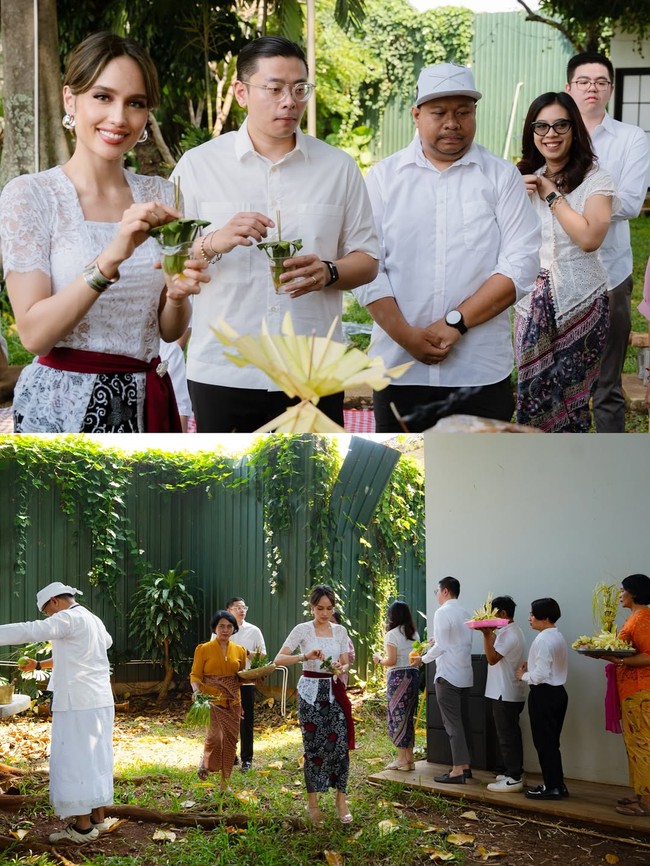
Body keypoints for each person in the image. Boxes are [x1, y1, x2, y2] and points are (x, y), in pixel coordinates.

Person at [0, 31, 209, 433]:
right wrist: (113, 255)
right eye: (102, 96)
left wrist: (179, 295)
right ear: (69, 100)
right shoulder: (32, 196)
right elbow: (34, 336)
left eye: (135, 103)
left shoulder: (161, 194)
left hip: (149, 401)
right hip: (62, 409)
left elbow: (168, 329)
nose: (118, 117)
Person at [171, 35, 379, 432]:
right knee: (225, 486)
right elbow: (167, 261)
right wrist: (213, 241)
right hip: (223, 371)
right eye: (275, 88)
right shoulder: (198, 166)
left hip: (313, 370)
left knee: (312, 487)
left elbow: (367, 260)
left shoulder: (338, 167)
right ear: (241, 92)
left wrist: (329, 272)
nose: (290, 100)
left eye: (300, 88)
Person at [354, 62, 540, 432]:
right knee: (404, 471)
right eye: (439, 113)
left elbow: (520, 264)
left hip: (480, 368)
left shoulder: (501, 176)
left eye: (463, 112)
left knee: (483, 478)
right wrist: (406, 337)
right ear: (417, 115)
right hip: (398, 367)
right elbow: (366, 266)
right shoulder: (383, 179)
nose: (452, 123)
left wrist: (456, 323)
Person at [514, 92, 614, 432]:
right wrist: (514, 193)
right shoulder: (519, 179)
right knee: (531, 397)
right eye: (541, 126)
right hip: (530, 305)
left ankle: (574, 474)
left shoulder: (596, 178)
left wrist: (551, 194)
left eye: (560, 125)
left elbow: (589, 239)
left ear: (574, 130)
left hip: (581, 304)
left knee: (572, 404)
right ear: (531, 132)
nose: (550, 134)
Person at [566, 52, 650, 432]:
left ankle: (611, 466)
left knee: (608, 383)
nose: (592, 88)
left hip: (611, 272)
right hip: (559, 274)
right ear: (569, 87)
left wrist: (562, 199)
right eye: (583, 81)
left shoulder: (631, 138)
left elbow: (631, 202)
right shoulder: (554, 131)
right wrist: (595, 202)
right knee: (561, 381)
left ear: (611, 90)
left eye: (600, 82)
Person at [0, 582, 114, 845]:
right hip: (99, 700)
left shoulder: (67, 618)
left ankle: (82, 828)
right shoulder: (92, 619)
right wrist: (40, 663)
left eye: (47, 611)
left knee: (76, 760)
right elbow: (93, 647)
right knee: (97, 758)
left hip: (77, 703)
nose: (48, 617)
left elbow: (29, 629)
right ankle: (99, 819)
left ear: (54, 602)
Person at [274, 584, 354, 825]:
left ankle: (341, 800)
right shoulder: (302, 630)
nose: (325, 613)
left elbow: (344, 662)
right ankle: (313, 802)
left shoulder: (340, 631)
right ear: (312, 606)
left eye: (329, 608)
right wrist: (305, 657)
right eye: (320, 608)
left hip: (334, 692)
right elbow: (279, 658)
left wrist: (341, 668)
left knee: (340, 746)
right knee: (313, 749)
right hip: (310, 694)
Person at [418, 576, 473, 784]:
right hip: (465, 674)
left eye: (437, 592)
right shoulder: (465, 612)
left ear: (446, 591)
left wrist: (422, 659)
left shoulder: (442, 612)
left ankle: (457, 769)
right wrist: (435, 643)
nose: (437, 596)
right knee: (464, 722)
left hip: (448, 675)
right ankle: (466, 767)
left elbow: (441, 646)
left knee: (452, 724)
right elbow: (454, 642)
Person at [516, 597, 568, 801]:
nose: (529, 618)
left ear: (544, 617)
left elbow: (541, 675)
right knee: (551, 742)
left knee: (544, 743)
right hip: (558, 693)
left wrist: (523, 676)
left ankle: (552, 787)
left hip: (544, 693)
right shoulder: (557, 636)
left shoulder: (543, 639)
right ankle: (556, 784)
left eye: (532, 614)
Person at [190, 609, 247, 793]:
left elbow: (241, 678)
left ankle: (225, 784)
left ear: (234, 629)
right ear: (215, 628)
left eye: (229, 626)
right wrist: (197, 693)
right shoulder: (203, 649)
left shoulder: (240, 651)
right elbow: (195, 676)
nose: (225, 630)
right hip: (211, 699)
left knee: (230, 741)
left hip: (233, 702)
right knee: (215, 737)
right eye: (221, 626)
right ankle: (206, 762)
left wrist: (242, 703)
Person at [611, 574, 650, 817]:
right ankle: (639, 791)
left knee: (642, 744)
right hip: (631, 691)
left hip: (641, 691)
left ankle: (646, 801)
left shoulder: (644, 618)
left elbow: (648, 656)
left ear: (633, 593)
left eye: (623, 590)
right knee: (634, 745)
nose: (620, 594)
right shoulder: (635, 618)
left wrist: (616, 659)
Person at [478, 596, 526, 793]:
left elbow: (491, 658)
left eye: (492, 614)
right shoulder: (512, 631)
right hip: (506, 692)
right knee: (508, 734)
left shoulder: (508, 634)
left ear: (503, 614)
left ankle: (514, 777)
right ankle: (511, 772)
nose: (489, 618)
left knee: (507, 736)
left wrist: (486, 634)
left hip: (504, 693)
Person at [373, 600, 420, 772]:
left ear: (392, 616)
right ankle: (409, 760)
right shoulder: (414, 633)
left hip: (398, 678)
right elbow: (416, 658)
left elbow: (391, 660)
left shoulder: (392, 634)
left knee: (397, 717)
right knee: (407, 718)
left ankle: (401, 760)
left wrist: (379, 660)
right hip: (413, 676)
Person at [225, 596, 266, 771]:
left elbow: (262, 655)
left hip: (247, 680)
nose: (242, 610)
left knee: (246, 720)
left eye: (244, 607)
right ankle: (230, 754)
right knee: (227, 718)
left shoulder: (254, 630)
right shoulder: (222, 629)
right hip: (226, 680)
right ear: (229, 611)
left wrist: (245, 652)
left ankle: (247, 759)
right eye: (237, 607)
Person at [331, 608, 355, 687]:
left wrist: (339, 668)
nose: (329, 625)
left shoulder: (343, 638)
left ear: (338, 623)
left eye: (332, 622)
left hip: (339, 677)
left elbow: (347, 662)